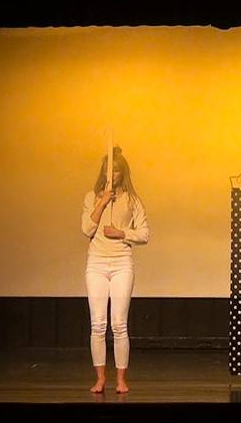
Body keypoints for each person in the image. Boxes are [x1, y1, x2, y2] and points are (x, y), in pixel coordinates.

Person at [80, 147, 150, 394]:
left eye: (117, 170)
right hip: (97, 264)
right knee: (98, 324)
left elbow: (144, 234)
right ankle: (100, 379)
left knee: (119, 324)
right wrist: (102, 202)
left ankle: (121, 380)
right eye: (109, 170)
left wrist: (121, 233)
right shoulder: (92, 197)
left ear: (123, 173)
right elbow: (87, 229)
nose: (112, 175)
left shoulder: (132, 200)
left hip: (121, 263)